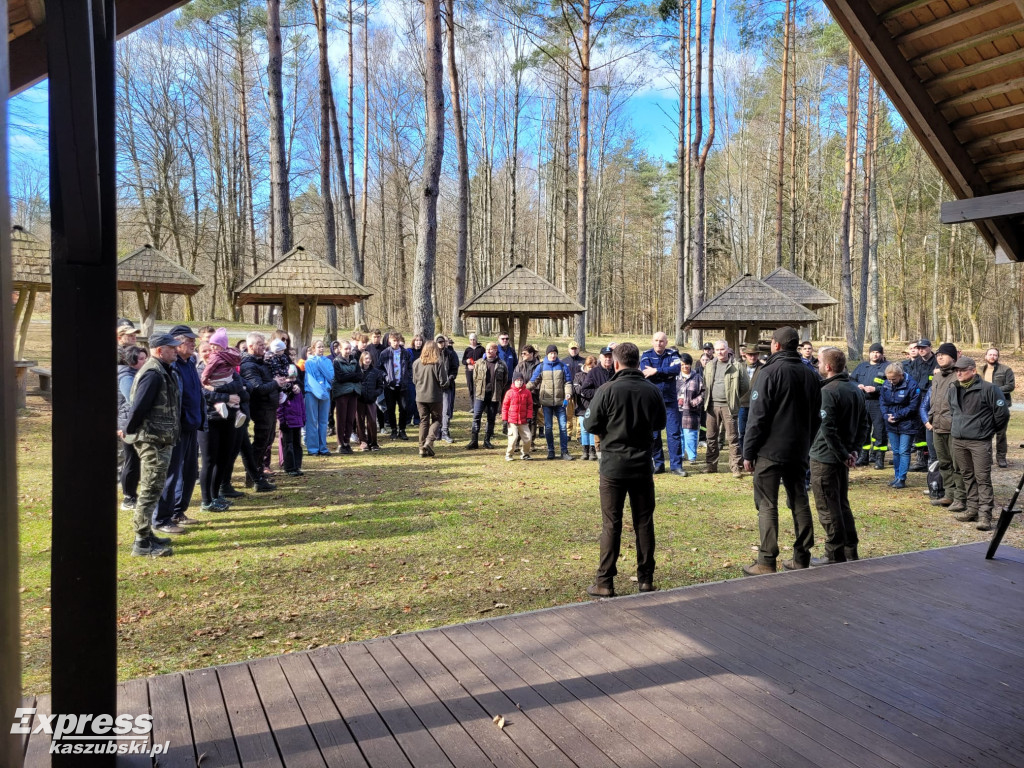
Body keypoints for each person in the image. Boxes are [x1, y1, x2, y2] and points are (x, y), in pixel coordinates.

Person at [583, 342, 666, 597]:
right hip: (641, 464)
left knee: (611, 524)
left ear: (616, 363)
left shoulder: (606, 390)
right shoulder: (651, 390)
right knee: (644, 522)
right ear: (638, 363)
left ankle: (605, 582)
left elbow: (590, 424)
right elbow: (660, 422)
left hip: (613, 467)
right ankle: (646, 579)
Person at [741, 326, 822, 575]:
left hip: (769, 450)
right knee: (799, 500)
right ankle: (801, 556)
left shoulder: (769, 372)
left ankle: (766, 560)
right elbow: (816, 416)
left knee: (767, 503)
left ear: (776, 345)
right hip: (798, 450)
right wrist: (805, 443)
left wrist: (748, 452)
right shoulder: (810, 374)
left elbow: (757, 416)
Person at [808, 348, 868, 565]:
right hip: (843, 456)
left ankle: (834, 553)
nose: (817, 365)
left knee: (828, 506)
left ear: (829, 366)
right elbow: (864, 424)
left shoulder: (829, 391)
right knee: (841, 504)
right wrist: (854, 451)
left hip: (826, 457)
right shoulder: (854, 388)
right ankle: (850, 549)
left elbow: (828, 428)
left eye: (820, 362)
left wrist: (846, 453)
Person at [123, 333, 181, 557]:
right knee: (149, 489)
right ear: (159, 350)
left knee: (154, 487)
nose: (176, 350)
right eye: (171, 347)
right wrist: (130, 430)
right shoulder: (153, 374)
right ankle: (141, 543)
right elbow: (138, 407)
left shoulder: (162, 370)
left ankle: (147, 534)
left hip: (159, 438)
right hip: (152, 439)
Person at [153, 325, 206, 535]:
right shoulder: (172, 366)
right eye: (189, 341)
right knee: (171, 473)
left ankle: (178, 511)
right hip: (176, 428)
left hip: (193, 425)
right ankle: (162, 518)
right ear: (176, 342)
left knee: (188, 471)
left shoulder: (190, 362)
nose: (193, 344)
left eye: (194, 341)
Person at [949, 356, 1010, 531]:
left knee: (982, 478)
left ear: (974, 370)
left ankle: (985, 515)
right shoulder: (953, 388)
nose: (958, 373)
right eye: (956, 370)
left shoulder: (989, 389)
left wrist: (987, 430)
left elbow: (1002, 414)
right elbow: (953, 411)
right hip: (959, 440)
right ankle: (972, 509)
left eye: (962, 369)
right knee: (967, 476)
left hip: (979, 441)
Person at [197, 345, 247, 512]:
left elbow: (239, 385)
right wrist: (226, 396)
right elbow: (202, 393)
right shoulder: (199, 370)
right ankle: (206, 501)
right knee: (209, 460)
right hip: (209, 419)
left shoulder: (227, 367)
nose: (208, 353)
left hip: (229, 418)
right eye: (204, 350)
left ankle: (216, 494)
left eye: (211, 350)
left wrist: (216, 389)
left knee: (224, 459)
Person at [921, 343, 966, 511]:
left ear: (953, 358)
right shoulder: (937, 377)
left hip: (954, 428)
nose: (939, 357)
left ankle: (961, 498)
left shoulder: (959, 376)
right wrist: (930, 418)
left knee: (958, 465)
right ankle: (949, 495)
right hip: (937, 427)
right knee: (944, 463)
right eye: (938, 354)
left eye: (944, 355)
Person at [240, 332, 286, 492]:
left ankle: (258, 472)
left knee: (267, 441)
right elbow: (258, 388)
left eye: (264, 343)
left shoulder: (262, 362)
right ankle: (253, 477)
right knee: (260, 442)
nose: (264, 347)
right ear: (251, 346)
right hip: (260, 408)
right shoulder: (248, 365)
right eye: (260, 344)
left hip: (270, 406)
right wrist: (275, 383)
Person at [702, 339, 749, 478]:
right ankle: (711, 465)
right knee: (711, 437)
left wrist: (734, 397)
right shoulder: (710, 365)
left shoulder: (737, 366)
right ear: (714, 352)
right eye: (717, 350)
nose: (720, 352)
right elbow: (706, 383)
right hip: (712, 406)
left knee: (732, 438)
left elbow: (745, 386)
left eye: (722, 349)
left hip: (729, 406)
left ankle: (736, 467)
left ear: (728, 349)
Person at [640, 332, 685, 475]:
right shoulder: (646, 355)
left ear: (666, 342)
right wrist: (665, 374)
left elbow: (676, 370)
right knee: (654, 435)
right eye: (656, 340)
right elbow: (645, 372)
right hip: (652, 401)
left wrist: (656, 371)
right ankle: (658, 464)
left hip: (670, 401)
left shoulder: (673, 354)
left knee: (674, 434)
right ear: (652, 341)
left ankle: (676, 466)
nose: (659, 343)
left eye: (661, 341)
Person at [529, 344, 575, 461]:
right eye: (551, 353)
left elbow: (568, 382)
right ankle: (551, 450)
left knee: (563, 428)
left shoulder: (563, 366)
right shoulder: (541, 366)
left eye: (555, 353)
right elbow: (533, 381)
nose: (553, 355)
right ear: (547, 354)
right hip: (546, 403)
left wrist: (568, 393)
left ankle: (564, 451)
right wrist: (523, 389)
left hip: (561, 402)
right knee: (548, 428)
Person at [879, 363, 921, 489]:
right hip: (891, 423)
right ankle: (896, 476)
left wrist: (897, 415)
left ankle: (902, 478)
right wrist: (886, 415)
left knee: (904, 451)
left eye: (894, 379)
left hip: (907, 423)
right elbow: (882, 402)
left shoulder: (912, 385)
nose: (891, 382)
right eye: (889, 379)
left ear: (901, 376)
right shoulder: (886, 385)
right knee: (895, 451)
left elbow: (913, 406)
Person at [117, 345, 148, 511]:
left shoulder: (137, 374)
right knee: (131, 461)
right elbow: (133, 400)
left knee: (138, 461)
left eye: (145, 358)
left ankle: (136, 495)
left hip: (134, 423)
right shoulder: (126, 376)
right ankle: (129, 497)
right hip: (128, 424)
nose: (144, 361)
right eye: (141, 359)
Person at [850, 342, 889, 468]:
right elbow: (851, 380)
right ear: (869, 353)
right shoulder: (862, 366)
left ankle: (879, 458)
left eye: (878, 352)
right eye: (872, 352)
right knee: (864, 430)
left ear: (882, 354)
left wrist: (876, 389)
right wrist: (858, 386)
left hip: (878, 403)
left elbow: (892, 384)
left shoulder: (887, 367)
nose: (875, 355)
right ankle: (863, 456)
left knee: (879, 431)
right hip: (862, 402)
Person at [977, 347, 1015, 467]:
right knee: (985, 433)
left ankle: (1001, 458)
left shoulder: (1006, 370)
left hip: (1000, 406)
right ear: (985, 356)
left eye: (995, 355)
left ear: (998, 357)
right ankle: (986, 458)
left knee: (1001, 433)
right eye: (990, 354)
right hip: (984, 407)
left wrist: (994, 390)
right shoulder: (979, 370)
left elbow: (1010, 386)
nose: (992, 357)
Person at [412, 340, 451, 457]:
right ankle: (429, 441)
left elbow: (414, 380)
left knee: (423, 421)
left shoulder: (416, 363)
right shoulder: (438, 363)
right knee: (437, 420)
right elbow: (444, 382)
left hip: (420, 396)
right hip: (434, 397)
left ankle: (421, 448)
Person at [467, 342, 509, 450]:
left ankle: (487, 440)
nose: (489, 351)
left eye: (491, 349)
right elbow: (475, 378)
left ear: (496, 351)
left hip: (494, 395)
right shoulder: (479, 363)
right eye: (487, 349)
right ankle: (474, 440)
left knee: (491, 418)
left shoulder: (502, 364)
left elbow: (504, 380)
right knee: (476, 417)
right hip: (480, 395)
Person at [905, 339, 935, 471]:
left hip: (931, 399)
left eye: (923, 347)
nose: (921, 350)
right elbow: (910, 380)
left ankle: (932, 459)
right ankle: (920, 459)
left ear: (929, 348)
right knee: (918, 431)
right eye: (919, 348)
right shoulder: (915, 363)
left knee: (930, 429)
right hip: (917, 398)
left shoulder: (936, 362)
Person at [580, 348, 614, 460]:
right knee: (599, 436)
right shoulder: (594, 372)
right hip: (600, 408)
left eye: (610, 356)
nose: (608, 359)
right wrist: (600, 393)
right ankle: (601, 461)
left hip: (615, 408)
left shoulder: (617, 371)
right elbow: (584, 390)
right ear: (600, 357)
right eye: (606, 356)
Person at [301, 340, 334, 456]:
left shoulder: (328, 361)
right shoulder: (309, 362)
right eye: (319, 347)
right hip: (312, 393)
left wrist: (324, 390)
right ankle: (313, 448)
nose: (321, 349)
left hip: (325, 393)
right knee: (312, 420)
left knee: (323, 421)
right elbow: (311, 379)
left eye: (322, 347)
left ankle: (323, 447)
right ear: (314, 349)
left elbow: (330, 376)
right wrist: (319, 391)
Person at [379, 332, 413, 440]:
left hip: (402, 385)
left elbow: (410, 367)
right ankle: (394, 430)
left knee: (403, 408)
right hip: (390, 386)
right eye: (394, 341)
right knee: (391, 409)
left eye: (398, 341)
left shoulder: (405, 353)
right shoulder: (384, 353)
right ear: (390, 341)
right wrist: (386, 378)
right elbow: (380, 369)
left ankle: (402, 430)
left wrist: (407, 377)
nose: (396, 343)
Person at [332, 341, 361, 454]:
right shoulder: (337, 362)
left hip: (353, 392)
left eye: (349, 348)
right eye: (345, 349)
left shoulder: (354, 360)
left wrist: (349, 376)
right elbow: (340, 378)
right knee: (341, 419)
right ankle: (340, 443)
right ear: (340, 349)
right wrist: (352, 376)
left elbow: (360, 375)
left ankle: (347, 442)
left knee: (350, 419)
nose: (348, 351)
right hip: (342, 393)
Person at [675, 353, 705, 464]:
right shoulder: (675, 377)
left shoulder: (697, 377)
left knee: (690, 434)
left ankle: (692, 456)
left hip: (691, 411)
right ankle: (681, 454)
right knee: (679, 434)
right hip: (676, 410)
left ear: (690, 364)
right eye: (682, 364)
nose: (684, 367)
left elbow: (704, 393)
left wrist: (694, 402)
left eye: (686, 364)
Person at [278, 361, 306, 476]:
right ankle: (289, 467)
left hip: (297, 422)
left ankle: (297, 465)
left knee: (297, 444)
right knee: (288, 444)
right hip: (288, 422)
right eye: (289, 378)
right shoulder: (283, 392)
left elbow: (302, 406)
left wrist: (303, 419)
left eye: (294, 377)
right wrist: (282, 420)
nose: (292, 380)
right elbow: (279, 407)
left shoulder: (298, 391)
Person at [502, 372, 534, 461]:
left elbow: (530, 406)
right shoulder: (509, 393)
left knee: (528, 437)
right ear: (514, 382)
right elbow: (505, 406)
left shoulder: (527, 392)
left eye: (521, 380)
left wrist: (529, 416)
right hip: (512, 420)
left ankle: (525, 454)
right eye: (517, 381)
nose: (519, 382)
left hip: (523, 420)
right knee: (513, 437)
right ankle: (509, 454)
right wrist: (504, 419)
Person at [356, 351, 384, 451]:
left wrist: (374, 393)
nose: (368, 360)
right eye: (366, 359)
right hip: (360, 400)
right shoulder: (357, 371)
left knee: (372, 421)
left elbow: (380, 386)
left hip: (371, 400)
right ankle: (363, 441)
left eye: (369, 359)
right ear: (362, 360)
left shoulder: (376, 372)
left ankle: (373, 442)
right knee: (360, 421)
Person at [737, 348, 762, 456]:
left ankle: (754, 456)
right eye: (750, 355)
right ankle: (743, 456)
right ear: (745, 355)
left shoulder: (763, 368)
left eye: (755, 354)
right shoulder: (739, 367)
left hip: (757, 405)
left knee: (756, 432)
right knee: (742, 432)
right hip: (742, 404)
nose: (752, 357)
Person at [573, 355, 598, 460]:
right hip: (582, 406)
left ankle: (593, 451)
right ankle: (585, 451)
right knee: (584, 429)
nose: (591, 369)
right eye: (589, 367)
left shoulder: (597, 376)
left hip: (593, 405)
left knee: (592, 429)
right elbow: (576, 388)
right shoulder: (579, 375)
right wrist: (584, 392)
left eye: (593, 367)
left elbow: (597, 390)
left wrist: (586, 392)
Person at [514, 345, 541, 439]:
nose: (523, 355)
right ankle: (517, 441)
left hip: (534, 395)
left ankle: (531, 441)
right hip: (521, 395)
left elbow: (540, 380)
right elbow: (515, 380)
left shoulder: (539, 366)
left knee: (533, 419)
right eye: (522, 353)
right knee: (520, 418)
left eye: (525, 353)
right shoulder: (520, 365)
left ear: (532, 354)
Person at [438, 335, 460, 443]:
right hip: (435, 387)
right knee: (436, 410)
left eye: (444, 341)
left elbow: (454, 368)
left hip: (447, 386)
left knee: (446, 409)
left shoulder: (451, 354)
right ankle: (437, 431)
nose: (442, 343)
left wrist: (450, 378)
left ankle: (445, 431)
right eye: (440, 341)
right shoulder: (433, 354)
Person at [563, 343, 585, 440]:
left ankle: (579, 434)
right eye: (572, 349)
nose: (574, 350)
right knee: (568, 413)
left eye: (575, 349)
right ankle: (568, 433)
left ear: (578, 349)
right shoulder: (564, 362)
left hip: (580, 392)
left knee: (580, 413)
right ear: (568, 349)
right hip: (568, 392)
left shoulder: (583, 361)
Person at [462, 332, 485, 411]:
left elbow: (484, 360)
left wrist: (477, 364)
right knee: (471, 388)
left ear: (476, 339)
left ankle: (478, 406)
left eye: (474, 339)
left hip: (479, 372)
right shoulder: (467, 350)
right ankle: (472, 406)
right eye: (471, 340)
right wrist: (467, 362)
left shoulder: (481, 349)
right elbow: (463, 361)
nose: (472, 341)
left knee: (479, 389)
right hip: (469, 372)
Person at [408, 334, 425, 426]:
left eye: (420, 340)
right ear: (413, 341)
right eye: (416, 340)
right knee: (411, 400)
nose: (418, 342)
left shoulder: (424, 352)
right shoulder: (409, 351)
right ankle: (408, 419)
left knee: (419, 400)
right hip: (411, 379)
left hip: (422, 380)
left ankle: (417, 420)